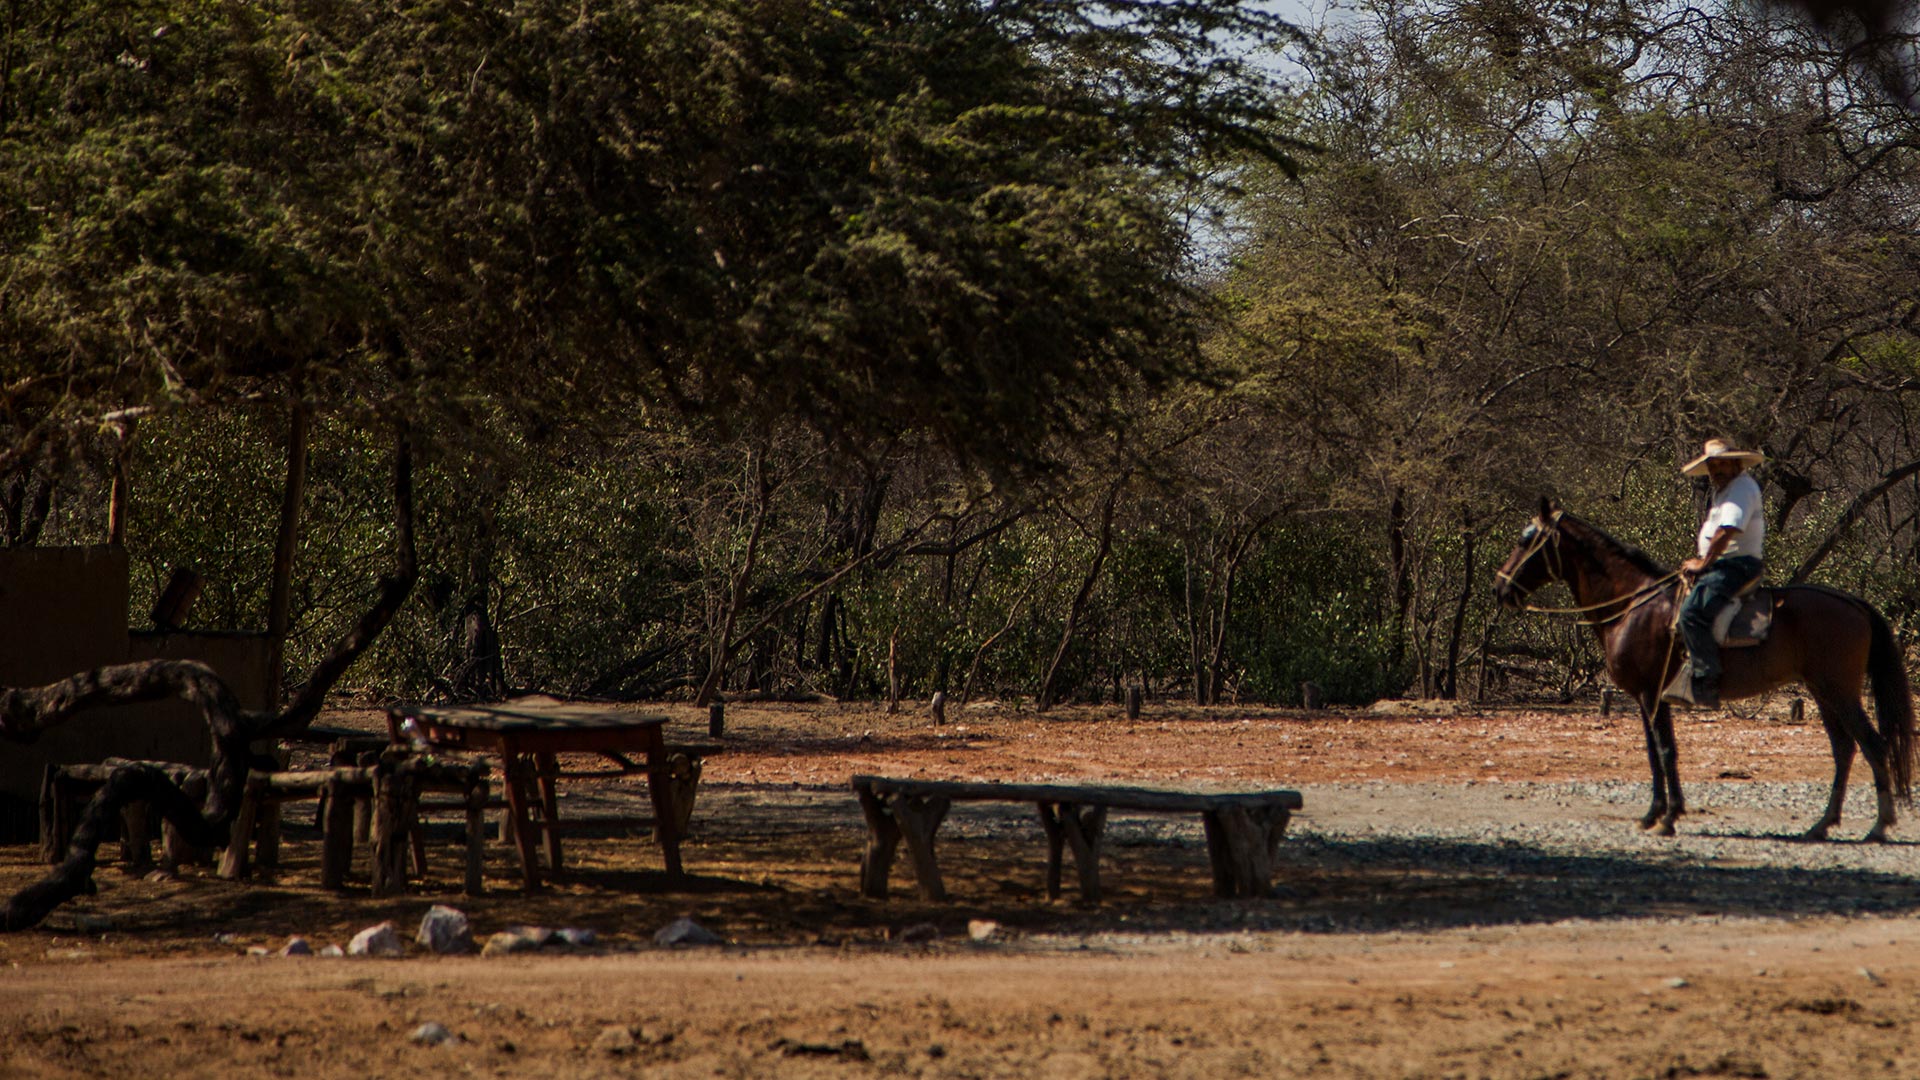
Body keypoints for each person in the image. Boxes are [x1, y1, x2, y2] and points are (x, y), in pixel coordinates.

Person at [1666, 438, 1766, 708]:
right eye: (1713, 465)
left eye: (1722, 463)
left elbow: (1728, 529)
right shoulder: (1726, 490)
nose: (1717, 469)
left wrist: (1703, 563)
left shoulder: (1741, 488)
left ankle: (1706, 681)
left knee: (1692, 613)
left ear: (1736, 464)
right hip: (1725, 564)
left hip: (1737, 565)